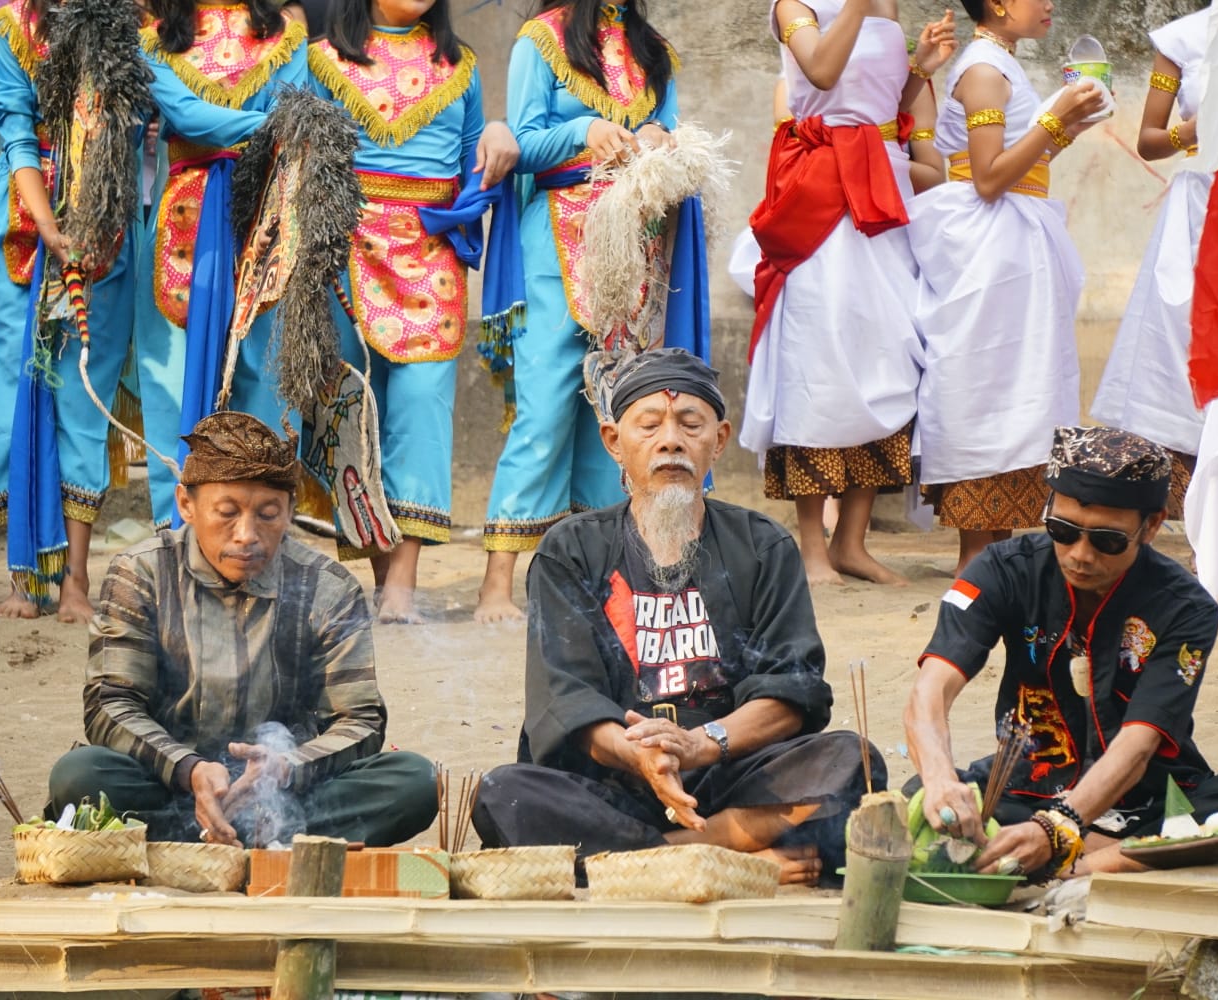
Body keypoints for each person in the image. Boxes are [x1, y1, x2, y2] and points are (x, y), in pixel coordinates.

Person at [472, 350, 881, 885]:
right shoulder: (569, 550)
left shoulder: (762, 546)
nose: (671, 441)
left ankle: (638, 864)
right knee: (505, 794)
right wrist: (642, 757)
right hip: (618, 783)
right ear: (614, 442)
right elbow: (566, 699)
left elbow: (792, 690)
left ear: (720, 438)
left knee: (854, 761)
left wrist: (701, 743)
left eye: (691, 424)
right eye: (649, 426)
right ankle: (722, 848)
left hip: (730, 770)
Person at [904, 426, 1218, 879]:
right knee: (914, 800)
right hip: (1026, 788)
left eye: (1106, 540)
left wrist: (1059, 827)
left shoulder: (1185, 607)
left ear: (1150, 526)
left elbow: (1140, 744)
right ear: (1047, 510)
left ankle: (1080, 865)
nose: (1080, 555)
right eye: (1063, 531)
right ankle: (1113, 859)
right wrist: (938, 779)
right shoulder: (1001, 570)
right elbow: (931, 690)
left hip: (1147, 798)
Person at [47, 411, 436, 847]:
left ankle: (223, 837)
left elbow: (360, 718)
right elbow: (111, 703)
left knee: (413, 781)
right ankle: (261, 841)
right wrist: (189, 769)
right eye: (227, 513)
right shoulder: (142, 575)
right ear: (186, 505)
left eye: (268, 514)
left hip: (288, 793)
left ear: (291, 511)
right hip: (170, 784)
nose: (247, 534)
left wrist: (285, 766)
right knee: (80, 777)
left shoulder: (328, 587)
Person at [309, 0, 519, 623]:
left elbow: (467, 167)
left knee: (423, 412)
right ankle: (378, 572)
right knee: (352, 407)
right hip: (343, 248)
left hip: (430, 251)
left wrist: (497, 143)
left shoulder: (461, 66)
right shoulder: (319, 59)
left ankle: (402, 584)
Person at [474, 0, 679, 623]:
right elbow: (522, 144)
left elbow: (671, 129)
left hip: (636, 245)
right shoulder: (541, 40)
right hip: (557, 244)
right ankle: (496, 587)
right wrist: (583, 132)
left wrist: (658, 138)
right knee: (543, 410)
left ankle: (604, 578)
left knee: (618, 413)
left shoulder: (654, 50)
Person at [741, 0, 955, 587]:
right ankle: (812, 546)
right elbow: (824, 74)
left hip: (883, 191)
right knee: (820, 359)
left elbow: (880, 103)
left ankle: (850, 543)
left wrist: (920, 70)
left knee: (889, 353)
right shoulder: (796, 6)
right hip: (822, 193)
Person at [0, 0, 140, 622]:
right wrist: (50, 225)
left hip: (102, 221)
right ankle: (22, 578)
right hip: (17, 228)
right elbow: (17, 131)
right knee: (10, 402)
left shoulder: (132, 27)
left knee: (84, 402)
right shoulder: (12, 29)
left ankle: (77, 580)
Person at [906, 0, 1106, 576]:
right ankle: (977, 558)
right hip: (988, 250)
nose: (1049, 5)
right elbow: (990, 177)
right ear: (996, 5)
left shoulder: (1004, 64)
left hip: (1015, 244)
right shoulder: (985, 72)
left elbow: (1026, 161)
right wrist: (1054, 118)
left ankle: (1002, 550)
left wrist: (1066, 124)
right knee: (984, 385)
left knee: (1023, 386)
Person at [137, 0, 309, 529]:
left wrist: (281, 127)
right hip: (186, 216)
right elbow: (186, 115)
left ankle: (263, 536)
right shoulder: (154, 35)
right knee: (173, 379)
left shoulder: (286, 32)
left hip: (269, 214)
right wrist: (270, 125)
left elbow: (295, 111)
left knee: (264, 375)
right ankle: (178, 538)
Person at [1088, 4, 1211, 520]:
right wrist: (1201, 128)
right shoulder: (1182, 39)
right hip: (1200, 211)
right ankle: (1185, 515)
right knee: (1181, 357)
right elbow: (1150, 140)